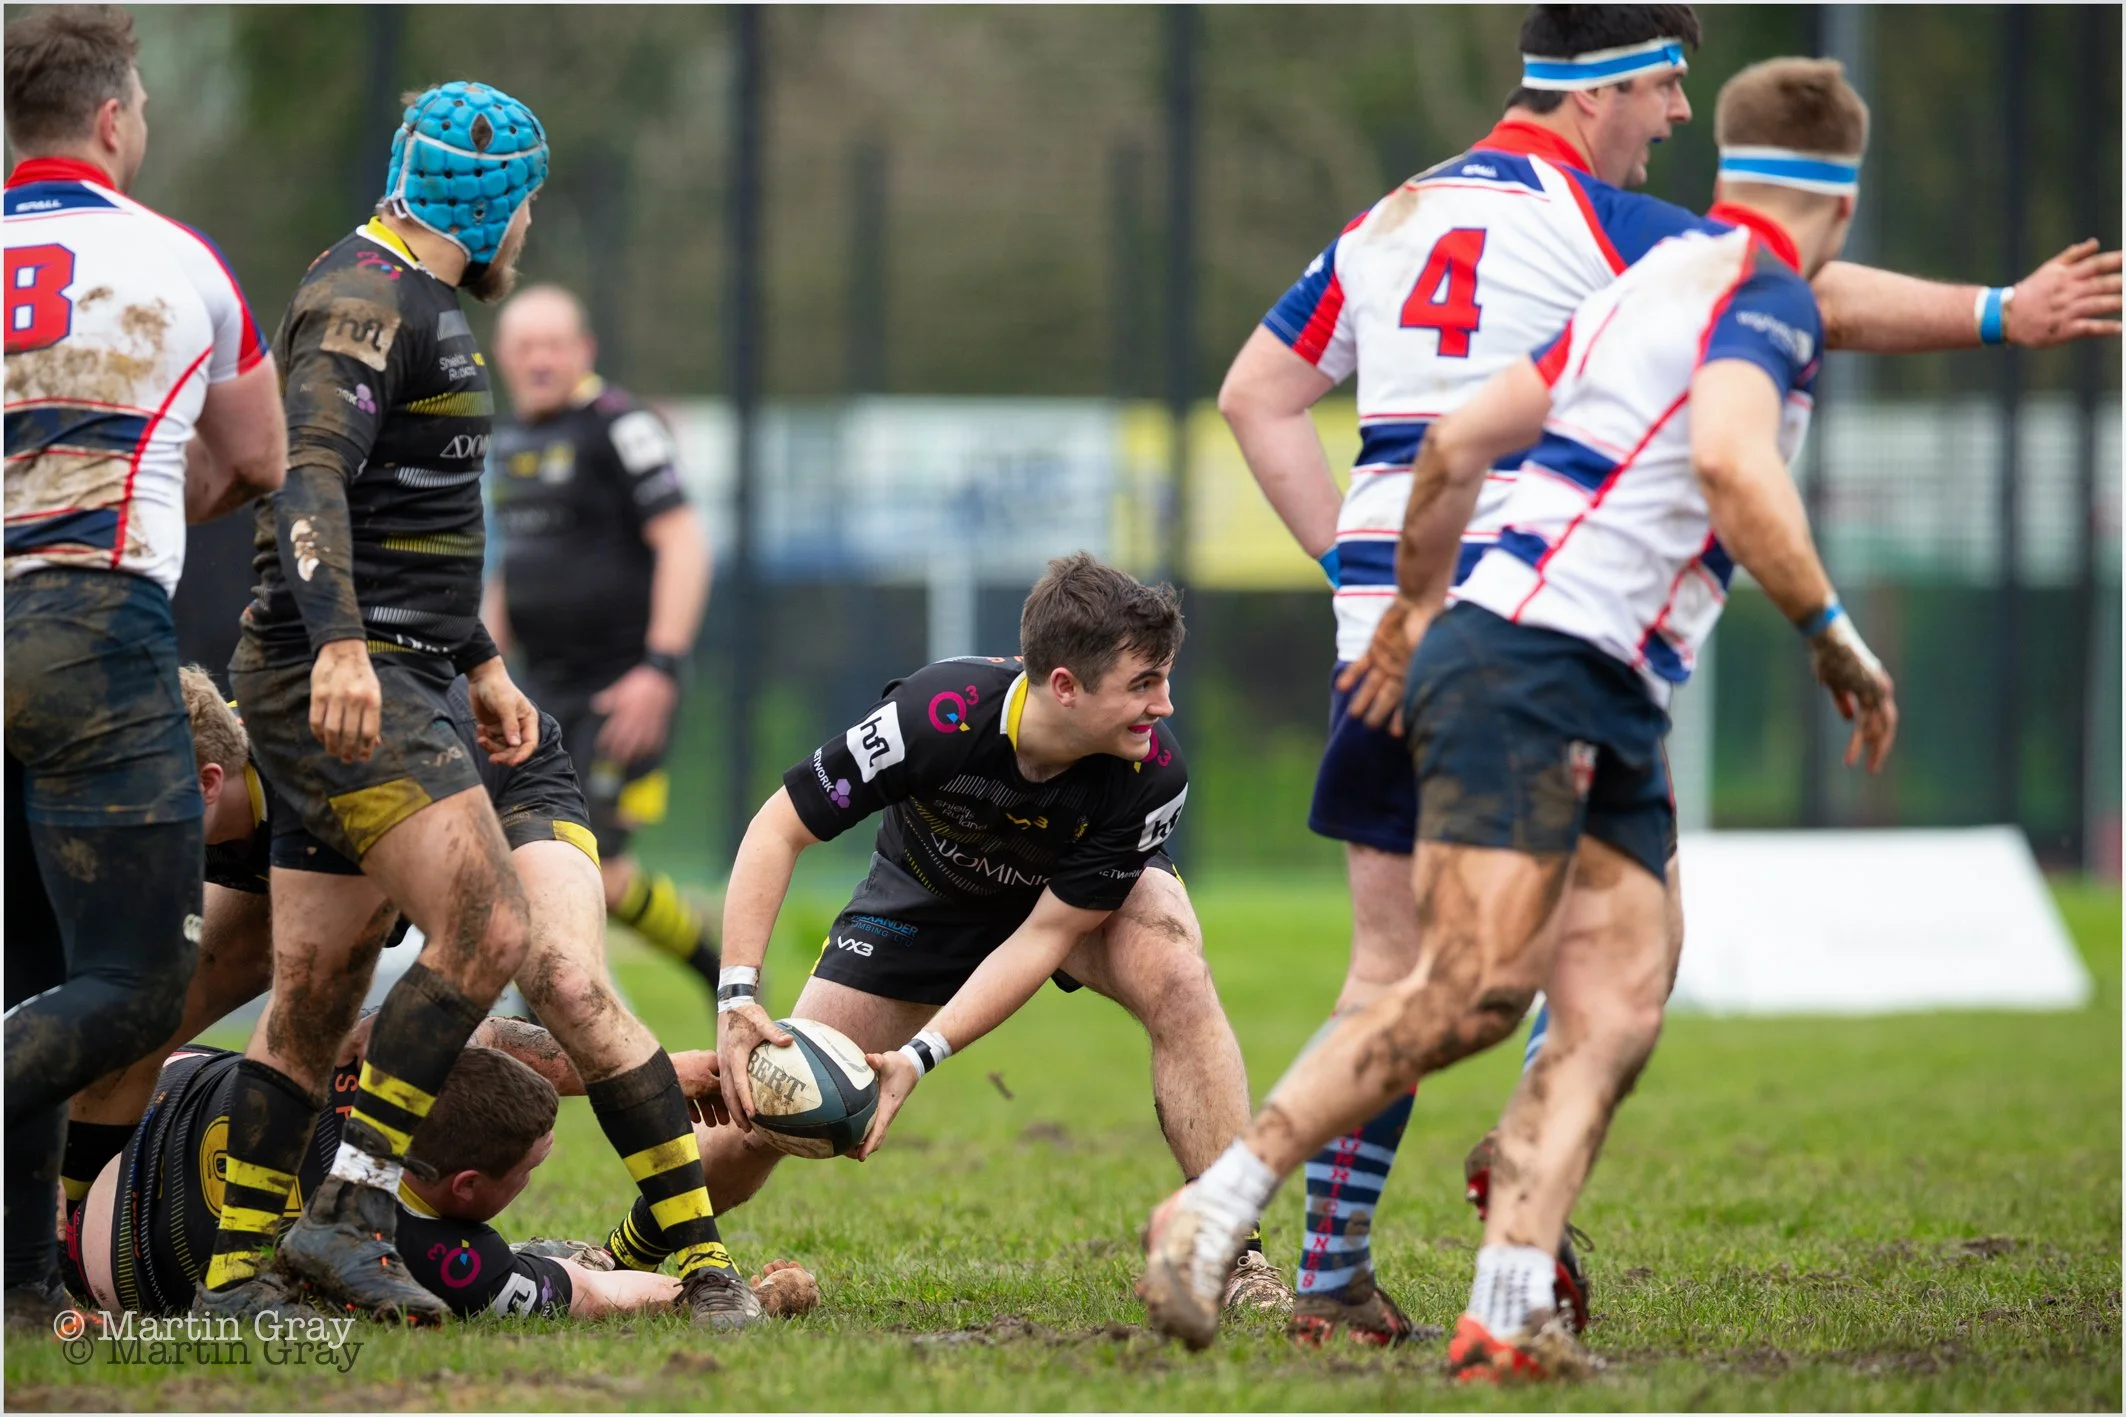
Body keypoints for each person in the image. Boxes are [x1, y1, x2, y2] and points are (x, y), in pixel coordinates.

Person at [1216, 2, 2125, 1346]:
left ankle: (1328, 1266)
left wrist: (1351, 566)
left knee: (1398, 969)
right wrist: (2000, 311)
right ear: (1594, 96)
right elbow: (1793, 286)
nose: (1678, 118)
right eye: (1660, 89)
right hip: (1536, 621)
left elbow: (1256, 394)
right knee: (1590, 955)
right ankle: (1512, 1204)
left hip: (1394, 617)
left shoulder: (1388, 218)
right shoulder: (1602, 224)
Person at [1146, 57, 1898, 1382]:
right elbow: (1734, 441)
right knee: (1472, 988)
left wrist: (1386, 592)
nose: (1668, 116)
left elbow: (1388, 425)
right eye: (1657, 86)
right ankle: (1217, 1208)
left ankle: (1494, 1305)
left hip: (1521, 650)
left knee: (1609, 995)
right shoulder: (1702, 271)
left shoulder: (1511, 244)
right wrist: (1832, 631)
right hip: (1526, 656)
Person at [62, 666, 772, 1327]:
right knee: (145, 1014)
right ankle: (52, 1246)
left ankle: (708, 1264)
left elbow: (384, 1000)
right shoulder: (182, 766)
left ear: (207, 780)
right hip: (326, 814)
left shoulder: (317, 779)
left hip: (500, 783)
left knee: (566, 982)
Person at [689, 553, 1288, 1315]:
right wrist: (739, 997)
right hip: (926, 896)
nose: (1165, 705)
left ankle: (1231, 1250)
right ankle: (630, 1250)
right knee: (769, 1100)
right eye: (1144, 684)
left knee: (1179, 977)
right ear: (1064, 685)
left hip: (1062, 897)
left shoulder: (1153, 774)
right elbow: (778, 827)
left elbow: (1044, 935)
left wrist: (918, 1056)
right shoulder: (936, 714)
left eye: (1166, 679)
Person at [198, 79, 560, 1325]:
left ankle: (238, 1278)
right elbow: (310, 482)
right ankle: (350, 1210)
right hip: (344, 679)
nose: (527, 235)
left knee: (317, 983)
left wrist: (478, 660)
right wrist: (345, 647)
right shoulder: (363, 299)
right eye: (527, 208)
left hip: (394, 662)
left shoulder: (418, 297)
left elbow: (414, 514)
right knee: (489, 932)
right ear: (496, 200)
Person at [2, 2, 284, 1327]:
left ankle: (20, 1291)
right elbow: (262, 458)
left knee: (30, 982)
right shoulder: (180, 264)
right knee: (134, 982)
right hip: (92, 633)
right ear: (114, 119)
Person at [71, 1026, 815, 1321]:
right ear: (464, 1188)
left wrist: (642, 1071)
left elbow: (475, 1030)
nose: (534, 1173)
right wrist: (738, 1298)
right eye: (527, 1169)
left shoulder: (345, 1067)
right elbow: (598, 1292)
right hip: (97, 1259)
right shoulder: (439, 1261)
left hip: (98, 1118)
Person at [484, 284, 720, 1000]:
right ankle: (544, 1027)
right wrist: (479, 671)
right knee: (547, 864)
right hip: (538, 692)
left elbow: (685, 543)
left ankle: (721, 975)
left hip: (624, 688)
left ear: (584, 351)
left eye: (555, 344)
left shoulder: (622, 426)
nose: (541, 359)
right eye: (526, 346)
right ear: (503, 357)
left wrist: (660, 668)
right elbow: (512, 575)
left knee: (593, 873)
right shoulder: (510, 441)